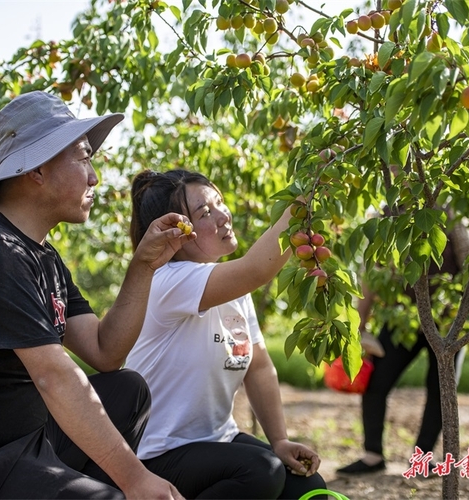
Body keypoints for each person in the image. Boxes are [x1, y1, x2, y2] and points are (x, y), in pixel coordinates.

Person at [0, 91, 190, 499]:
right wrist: (134, 479)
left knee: (127, 390)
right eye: (83, 158)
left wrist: (143, 266)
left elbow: (104, 352)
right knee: (116, 494)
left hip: (19, 445)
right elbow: (54, 375)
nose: (94, 176)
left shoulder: (37, 253)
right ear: (37, 170)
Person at [124, 169, 327, 499]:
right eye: (204, 212)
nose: (222, 215)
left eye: (219, 202)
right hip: (158, 453)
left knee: (306, 487)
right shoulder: (166, 280)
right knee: (261, 473)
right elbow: (256, 269)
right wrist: (305, 197)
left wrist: (279, 440)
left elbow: (258, 367)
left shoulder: (231, 288)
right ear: (176, 232)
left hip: (217, 439)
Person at [336, 221, 469, 474]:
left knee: (441, 392)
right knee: (376, 383)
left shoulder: (450, 213)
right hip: (402, 320)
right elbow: (371, 275)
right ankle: (373, 455)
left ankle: (422, 459)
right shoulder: (387, 216)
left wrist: (467, 317)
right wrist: (360, 325)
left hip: (447, 321)